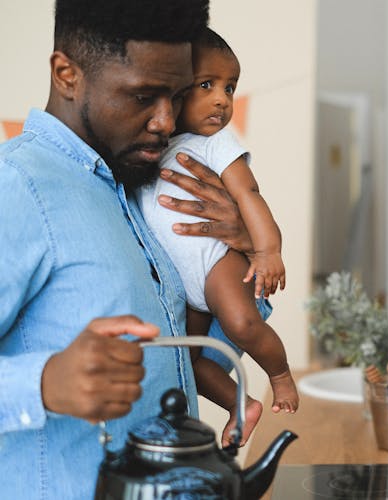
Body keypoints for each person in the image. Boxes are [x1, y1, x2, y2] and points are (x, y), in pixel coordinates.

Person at [0, 1, 259, 498]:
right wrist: (45, 381)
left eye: (178, 95)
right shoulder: (20, 187)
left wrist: (240, 253)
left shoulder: (137, 184)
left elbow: (182, 359)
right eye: (143, 96)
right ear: (66, 75)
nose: (165, 122)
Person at [137, 26, 299, 440]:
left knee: (242, 323)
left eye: (230, 88)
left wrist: (267, 250)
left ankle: (279, 374)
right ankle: (239, 403)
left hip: (214, 263)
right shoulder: (151, 148)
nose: (221, 99)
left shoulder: (214, 143)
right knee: (187, 361)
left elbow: (248, 193)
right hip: (182, 284)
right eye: (206, 85)